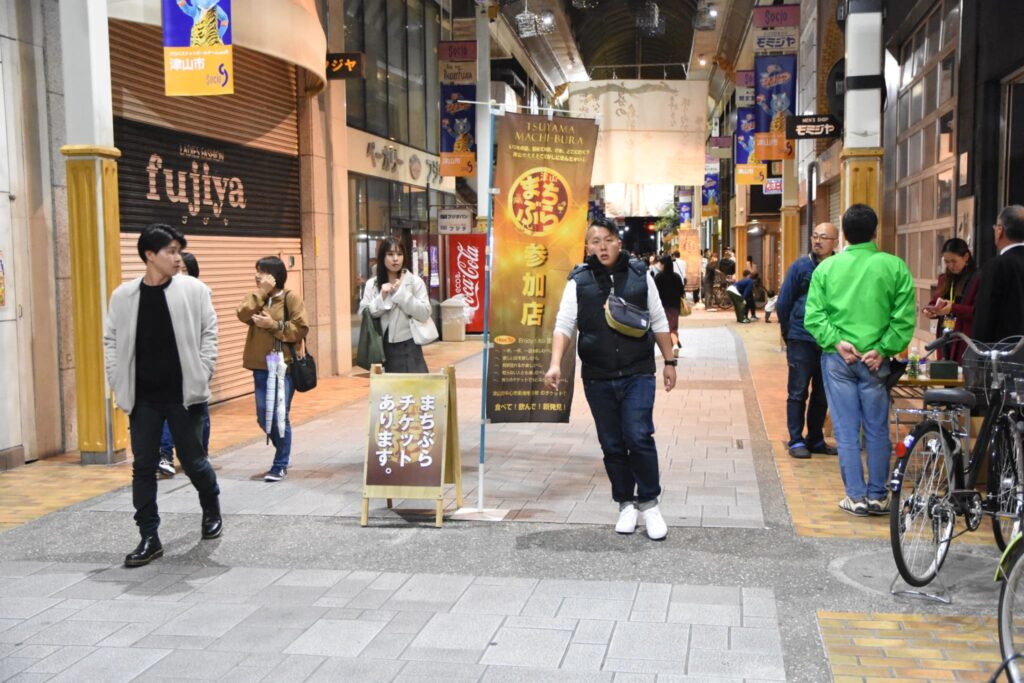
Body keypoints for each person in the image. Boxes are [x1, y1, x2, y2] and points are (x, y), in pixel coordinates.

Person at [544, 218, 677, 541]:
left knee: (638, 434)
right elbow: (565, 323)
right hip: (598, 375)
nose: (601, 247)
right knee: (612, 442)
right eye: (594, 241)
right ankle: (625, 504)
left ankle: (649, 503)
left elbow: (658, 319)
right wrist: (555, 364)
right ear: (587, 246)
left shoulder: (639, 274)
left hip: (638, 371)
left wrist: (669, 361)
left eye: (607, 240)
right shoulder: (579, 280)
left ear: (618, 242)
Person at [103, 224, 222, 567]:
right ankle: (149, 536)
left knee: (194, 461)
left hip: (184, 396)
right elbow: (111, 341)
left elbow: (209, 333)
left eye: (178, 250)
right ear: (149, 255)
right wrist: (117, 379)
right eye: (170, 251)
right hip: (143, 399)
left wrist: (203, 370)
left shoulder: (195, 290)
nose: (177, 257)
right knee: (143, 468)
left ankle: (211, 506)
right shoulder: (123, 296)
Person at [804, 205, 915, 517]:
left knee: (846, 429)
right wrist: (883, 348)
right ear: (875, 232)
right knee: (878, 430)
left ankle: (855, 496)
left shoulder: (826, 269)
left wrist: (837, 342)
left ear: (843, 234)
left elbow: (813, 316)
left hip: (839, 360)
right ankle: (878, 495)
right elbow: (903, 319)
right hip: (876, 362)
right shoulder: (894, 267)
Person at [237, 256, 310, 482]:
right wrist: (261, 292)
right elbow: (242, 313)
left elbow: (301, 328)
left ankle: (280, 464)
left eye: (262, 272)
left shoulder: (290, 298)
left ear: (274, 275)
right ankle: (283, 449)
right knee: (263, 415)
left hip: (282, 366)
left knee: (279, 416)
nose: (257, 276)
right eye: (256, 271)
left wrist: (274, 325)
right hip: (260, 366)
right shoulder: (257, 298)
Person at [776, 222, 840, 459]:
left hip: (829, 340)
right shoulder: (801, 266)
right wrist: (788, 332)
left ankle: (815, 439)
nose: (817, 241)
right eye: (815, 236)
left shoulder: (838, 266)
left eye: (824, 237)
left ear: (835, 241)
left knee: (822, 393)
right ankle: (796, 440)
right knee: (798, 391)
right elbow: (784, 301)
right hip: (801, 339)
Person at [158, 252, 210, 477]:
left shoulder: (201, 295)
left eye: (185, 271)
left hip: (195, 364)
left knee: (199, 413)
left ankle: (199, 455)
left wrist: (205, 365)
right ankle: (165, 455)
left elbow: (208, 333)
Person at [360, 237, 432, 373]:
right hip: (382, 347)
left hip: (409, 345)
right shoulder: (373, 284)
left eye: (399, 254)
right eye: (390, 254)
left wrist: (402, 294)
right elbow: (367, 312)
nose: (395, 259)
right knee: (388, 392)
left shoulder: (415, 282)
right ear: (382, 257)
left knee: (415, 390)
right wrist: (382, 297)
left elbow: (425, 313)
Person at [922, 238, 979, 364]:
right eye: (947, 262)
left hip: (965, 336)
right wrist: (930, 310)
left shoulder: (977, 278)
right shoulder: (944, 279)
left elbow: (977, 312)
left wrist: (953, 308)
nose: (950, 266)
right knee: (945, 370)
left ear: (966, 257)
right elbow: (935, 301)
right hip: (945, 334)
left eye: (954, 261)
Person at [973, 205, 1024, 343]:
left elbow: (985, 315)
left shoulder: (996, 266)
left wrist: (978, 354)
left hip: (1005, 352)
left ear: (1000, 230)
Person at [654, 255, 684, 357]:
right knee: (673, 328)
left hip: (662, 307)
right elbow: (681, 291)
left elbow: (654, 293)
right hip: (675, 306)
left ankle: (673, 346)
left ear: (664, 265)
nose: (659, 265)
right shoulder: (676, 277)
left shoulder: (658, 277)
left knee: (665, 328)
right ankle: (674, 345)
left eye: (661, 263)